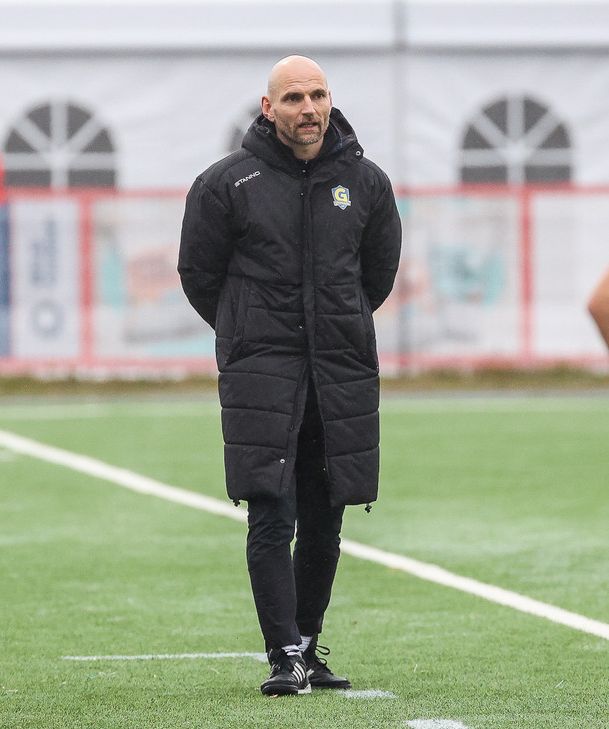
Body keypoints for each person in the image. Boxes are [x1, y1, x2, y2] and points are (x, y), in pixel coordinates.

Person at [178, 55, 401, 696]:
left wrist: (334, 323)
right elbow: (199, 275)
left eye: (318, 95)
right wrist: (249, 330)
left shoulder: (366, 182)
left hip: (339, 370)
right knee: (271, 514)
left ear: (330, 101)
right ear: (268, 106)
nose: (308, 109)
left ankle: (306, 645)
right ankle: (282, 656)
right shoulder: (225, 183)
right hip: (263, 372)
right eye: (294, 97)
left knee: (327, 516)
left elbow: (377, 274)